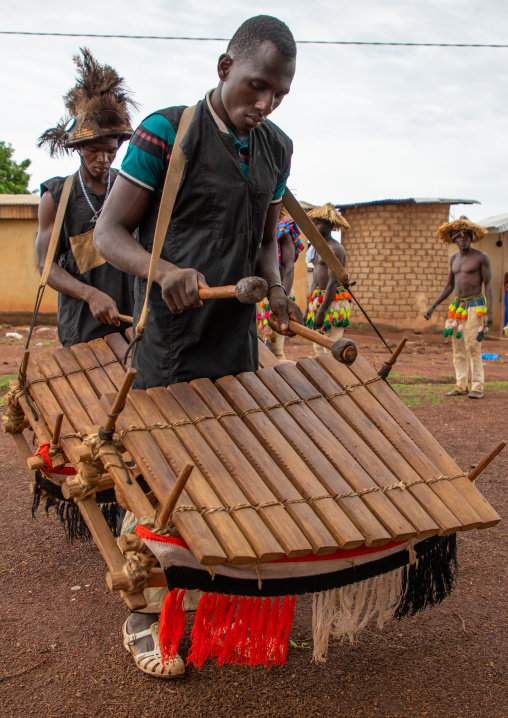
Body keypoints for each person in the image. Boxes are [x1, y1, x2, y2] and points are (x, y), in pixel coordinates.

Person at [95, 15, 301, 678]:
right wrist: (163, 272)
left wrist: (273, 283)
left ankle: (215, 600)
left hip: (234, 339)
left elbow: (267, 235)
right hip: (172, 338)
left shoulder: (277, 148)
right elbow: (108, 234)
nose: (264, 104)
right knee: (158, 479)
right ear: (224, 69)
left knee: (225, 470)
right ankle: (144, 613)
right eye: (256, 86)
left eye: (279, 94)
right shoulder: (166, 131)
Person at [36, 48, 135, 347]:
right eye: (95, 150)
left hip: (130, 325)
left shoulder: (130, 189)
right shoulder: (57, 196)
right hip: (82, 331)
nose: (104, 159)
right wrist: (90, 294)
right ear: (78, 148)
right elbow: (45, 266)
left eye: (111, 151)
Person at [424, 216, 492, 399]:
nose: (462, 239)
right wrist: (433, 306)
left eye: (465, 235)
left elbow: (489, 285)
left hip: (475, 306)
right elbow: (449, 286)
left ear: (470, 237)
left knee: (473, 346)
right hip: (457, 309)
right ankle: (461, 385)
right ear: (453, 238)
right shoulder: (454, 259)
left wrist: (489, 313)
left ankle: (477, 385)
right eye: (458, 236)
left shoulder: (480, 257)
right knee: (458, 347)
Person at [304, 203, 352, 355]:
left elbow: (334, 281)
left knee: (332, 346)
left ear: (330, 225)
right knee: (318, 346)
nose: (315, 225)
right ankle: (322, 377)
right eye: (314, 221)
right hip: (319, 300)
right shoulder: (319, 248)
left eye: (319, 222)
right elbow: (316, 281)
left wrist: (322, 311)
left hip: (333, 303)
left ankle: (336, 377)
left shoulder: (335, 249)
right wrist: (310, 307)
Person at [257, 204, 304, 359]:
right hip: (254, 296)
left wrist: (281, 295)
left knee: (276, 351)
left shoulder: (283, 230)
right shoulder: (251, 231)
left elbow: (288, 266)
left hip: (276, 296)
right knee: (255, 349)